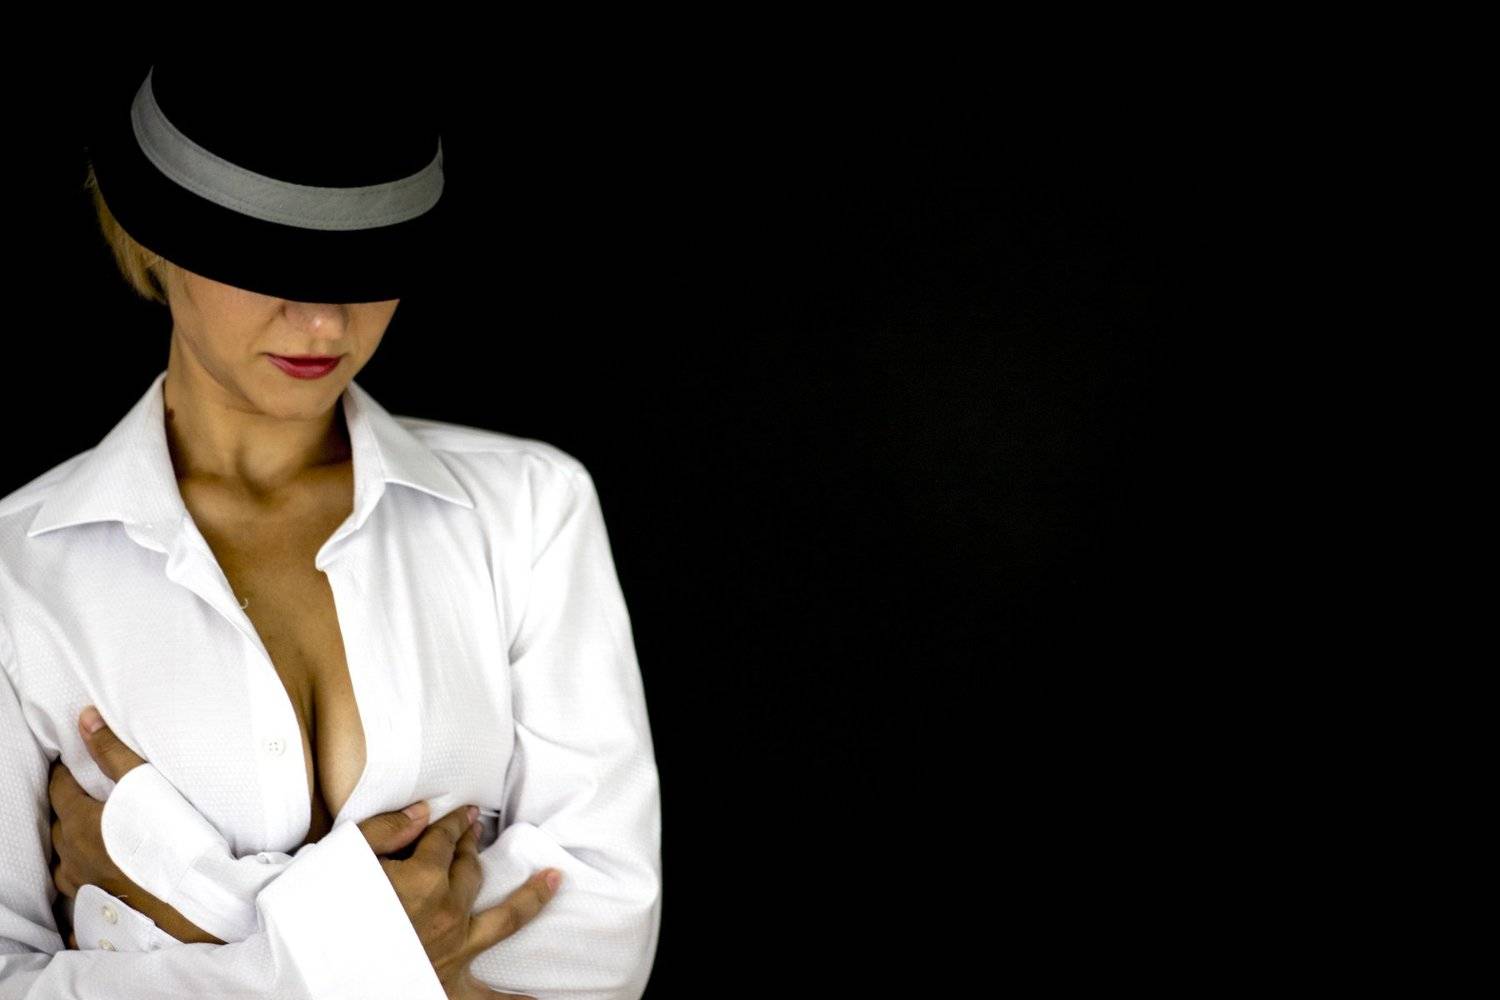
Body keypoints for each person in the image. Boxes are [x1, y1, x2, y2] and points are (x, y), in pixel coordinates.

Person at [0, 59, 663, 1000]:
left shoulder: (527, 511)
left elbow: (602, 939)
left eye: (364, 269)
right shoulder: (18, 573)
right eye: (264, 264)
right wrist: (381, 960)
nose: (321, 321)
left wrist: (184, 903)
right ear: (153, 243)